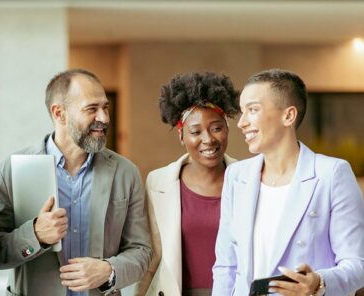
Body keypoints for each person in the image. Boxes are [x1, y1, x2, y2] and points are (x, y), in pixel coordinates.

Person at [0, 68, 151, 296]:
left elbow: (142, 250)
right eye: (91, 109)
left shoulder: (125, 173)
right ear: (59, 113)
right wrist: (34, 235)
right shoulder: (12, 169)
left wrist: (109, 270)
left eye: (105, 107)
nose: (104, 118)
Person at [212, 69, 364, 295]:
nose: (241, 122)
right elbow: (226, 265)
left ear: (288, 116)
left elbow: (357, 264)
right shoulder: (236, 176)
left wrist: (319, 282)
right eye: (242, 112)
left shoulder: (332, 174)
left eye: (252, 110)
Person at [135, 72, 240, 296]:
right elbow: (153, 255)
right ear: (182, 136)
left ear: (227, 129)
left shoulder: (249, 179)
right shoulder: (158, 182)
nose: (208, 139)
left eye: (216, 128)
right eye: (195, 132)